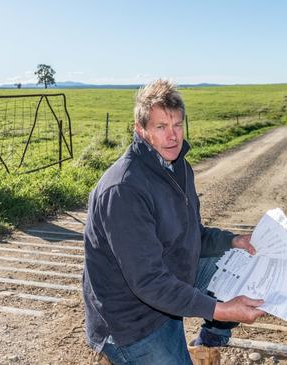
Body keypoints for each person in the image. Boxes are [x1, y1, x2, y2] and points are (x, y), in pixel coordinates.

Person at [82, 79, 265, 365]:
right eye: (161, 127)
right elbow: (148, 281)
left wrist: (233, 241)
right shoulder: (124, 190)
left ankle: (208, 342)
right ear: (140, 130)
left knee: (246, 275)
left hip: (169, 286)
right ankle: (118, 356)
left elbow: (192, 234)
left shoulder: (177, 168)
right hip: (131, 320)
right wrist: (222, 310)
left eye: (177, 125)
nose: (173, 136)